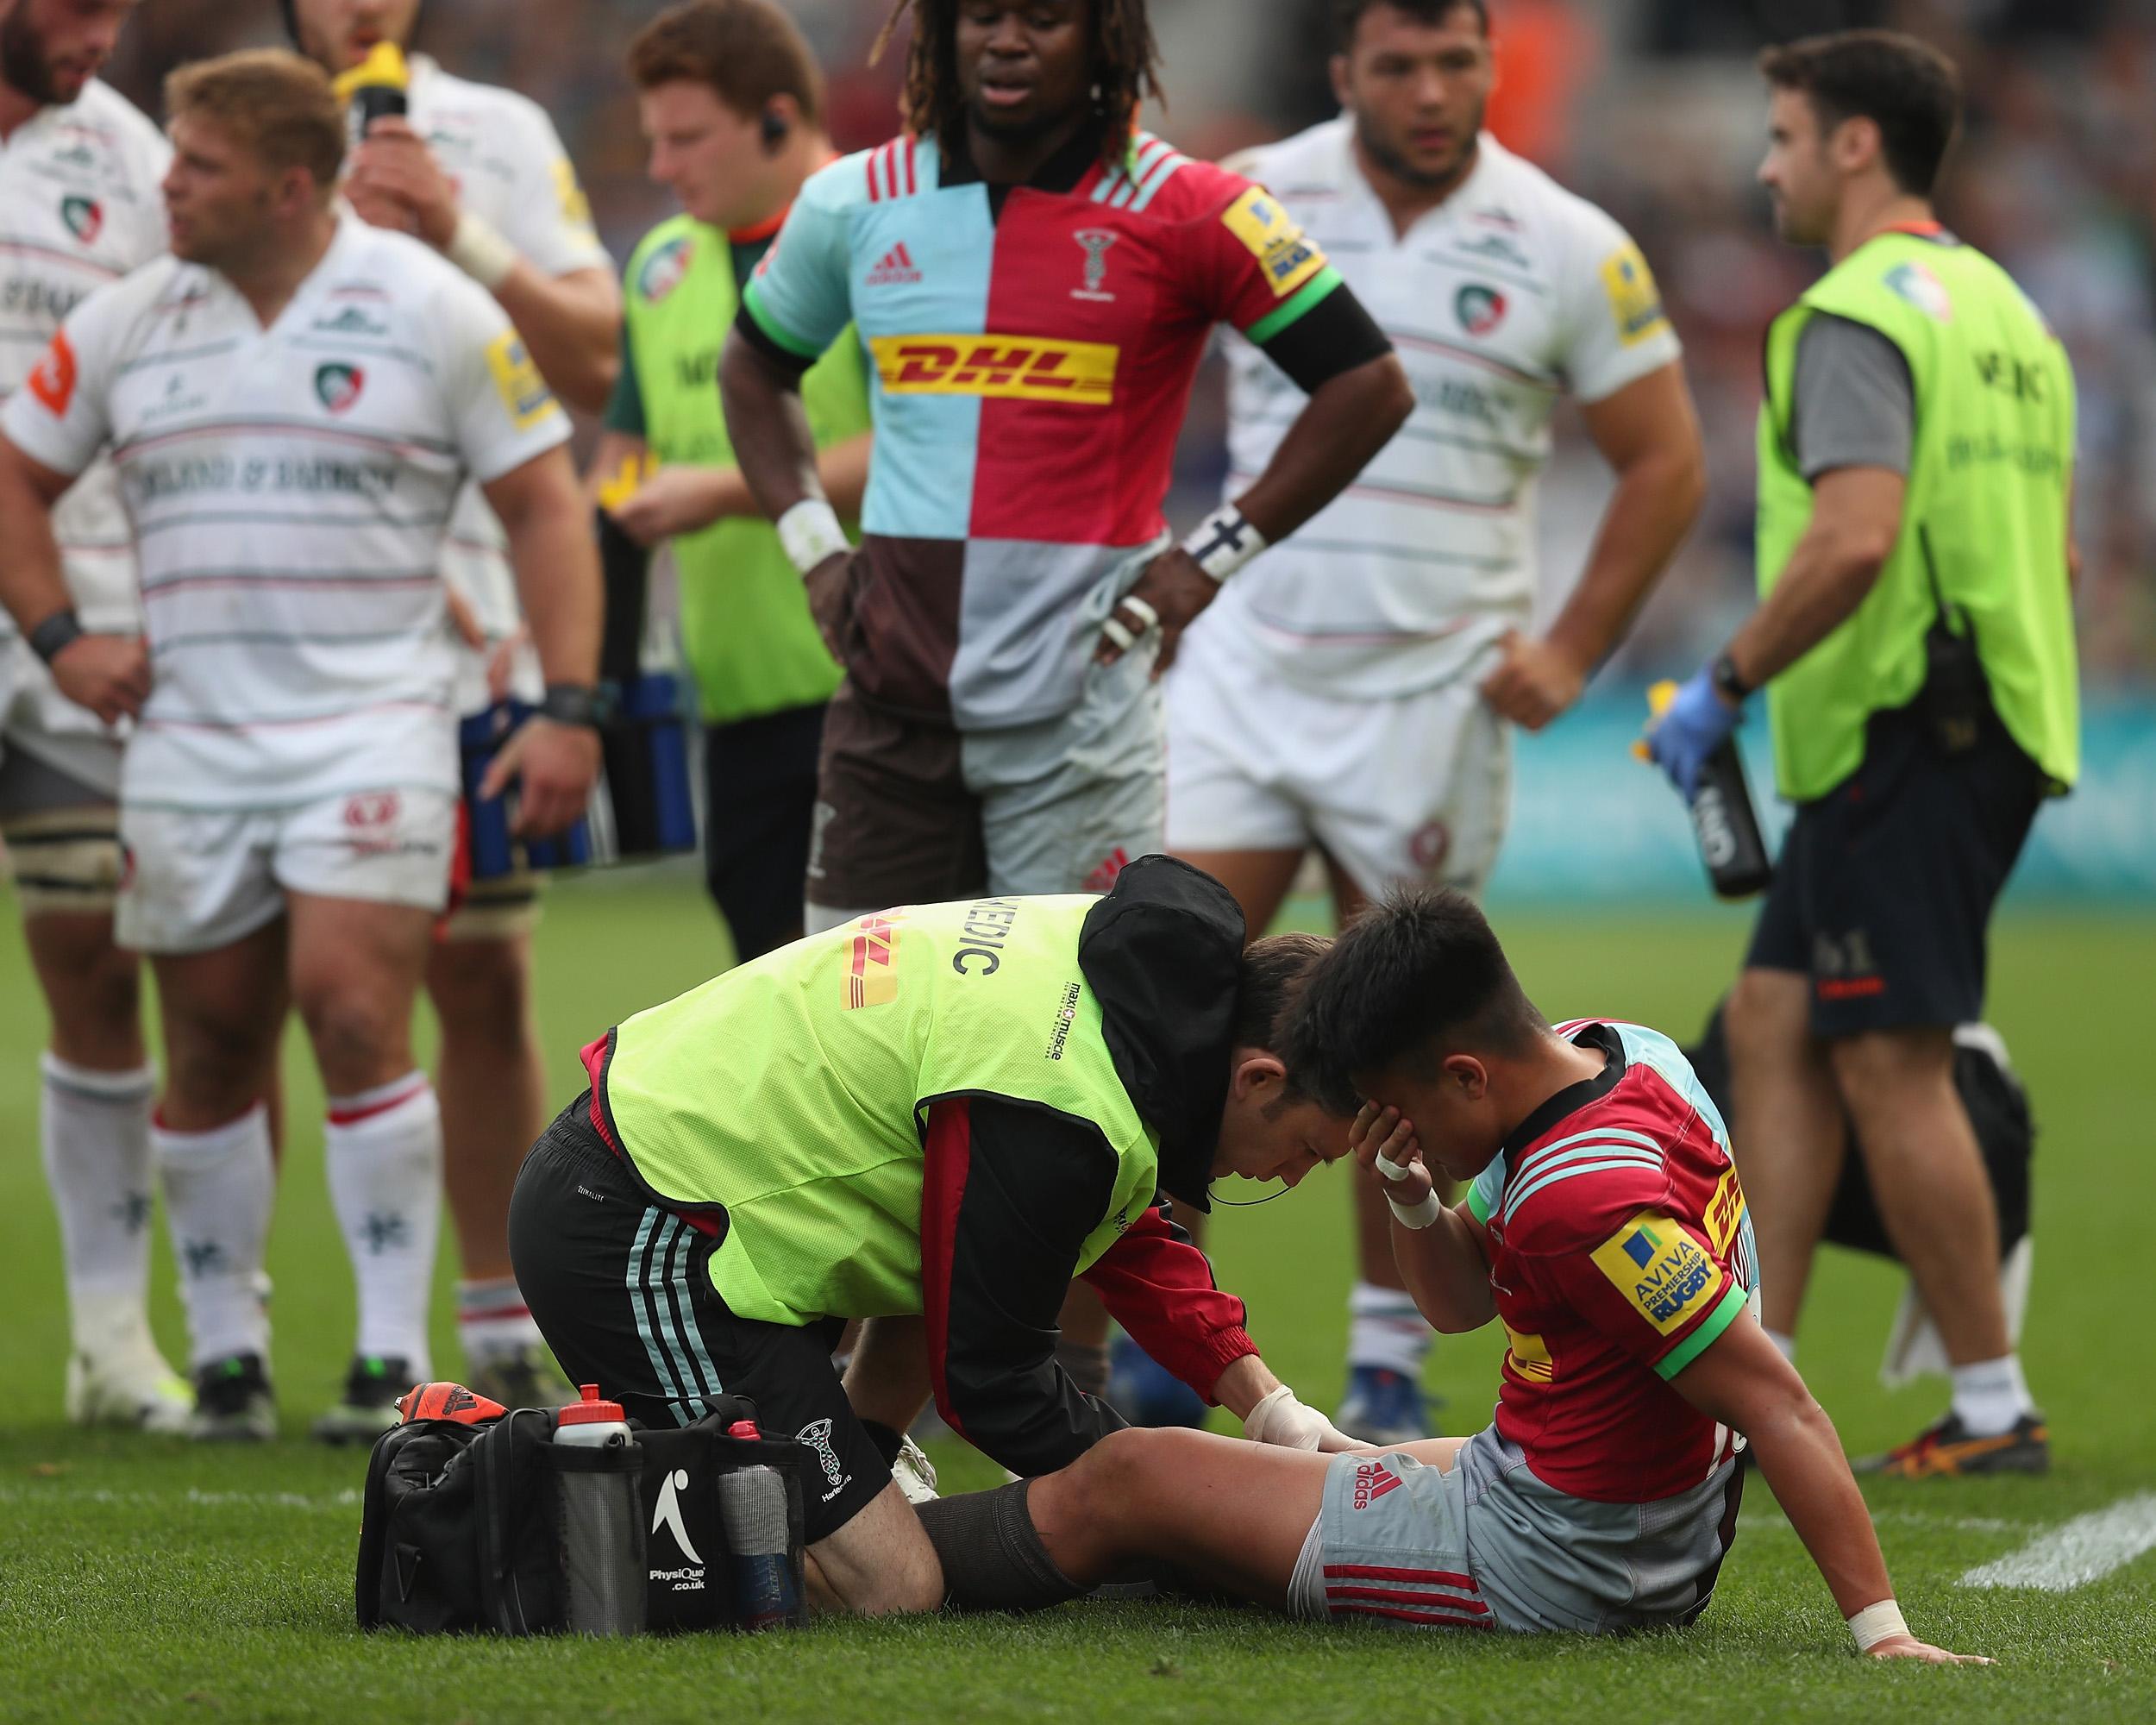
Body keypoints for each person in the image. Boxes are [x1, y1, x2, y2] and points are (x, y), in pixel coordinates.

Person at [0, 48, 604, 1440]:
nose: (165, 186)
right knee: (208, 1037)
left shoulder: (433, 311)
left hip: (374, 728)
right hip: (189, 738)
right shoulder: (127, 322)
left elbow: (546, 508)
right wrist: (57, 639)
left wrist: (568, 708)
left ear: (284, 187)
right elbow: (18, 477)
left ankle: (387, 1363)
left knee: (350, 1006)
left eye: (195, 167)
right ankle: (228, 1364)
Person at [912, 891, 1987, 1664]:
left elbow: (1776, 1402)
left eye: (1398, 1107)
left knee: (1135, 1474)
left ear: (1464, 1073)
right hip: (1590, 1496)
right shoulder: (1620, 1052)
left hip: (1561, 1557)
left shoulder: (1587, 1201)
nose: (1388, 1132)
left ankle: (889, 1557)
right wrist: (1414, 1195)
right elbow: (1462, 1303)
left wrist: (1879, 1631)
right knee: (1274, 1474)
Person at [1163, 0, 1706, 1445]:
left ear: (1491, 66)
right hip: (1248, 662)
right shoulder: (1254, 194)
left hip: (1432, 690)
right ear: (1343, 72)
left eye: (1455, 60)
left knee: (1387, 1031)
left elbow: (1664, 463)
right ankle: (1149, 1341)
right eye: (1395, 63)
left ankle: (1388, 1357)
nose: (1428, 88)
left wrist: (1577, 644)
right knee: (1169, 1002)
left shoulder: (1566, 237)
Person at [507, 854, 1363, 1615]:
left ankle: (850, 1475)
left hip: (685, 1185)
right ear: (1257, 1077)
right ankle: (502, 1508)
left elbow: (1111, 1225)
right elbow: (991, 1380)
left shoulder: (1137, 982)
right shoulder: (1057, 1106)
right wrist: (1194, 1502)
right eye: (1308, 1151)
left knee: (976, 1251)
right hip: (637, 1223)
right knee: (891, 1584)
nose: (1289, 1176)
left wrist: (1269, 1404)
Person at [719, 0, 1411, 941]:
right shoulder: (854, 197)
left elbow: (1367, 383)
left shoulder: (1192, 207)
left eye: (1042, 17)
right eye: (981, 16)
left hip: (1077, 720)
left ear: (1104, 37)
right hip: (887, 716)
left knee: (1063, 1041)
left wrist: (1206, 558)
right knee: (856, 1037)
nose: (1005, 39)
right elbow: (753, 368)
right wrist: (815, 552)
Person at [1647, 30, 2076, 1478]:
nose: (1760, 164)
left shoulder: (1851, 311)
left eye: (1780, 135)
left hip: (1907, 723)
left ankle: (1994, 1409)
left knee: (1892, 1062)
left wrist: (1720, 680)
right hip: (1976, 716)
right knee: (1773, 1021)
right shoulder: (2002, 311)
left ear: (1850, 144)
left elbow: (1856, 533)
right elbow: (2056, 553)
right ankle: (1754, 1376)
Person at [285, 0, 620, 1422]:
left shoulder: (496, 132)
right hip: (262, 630)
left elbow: (596, 358)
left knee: (481, 974)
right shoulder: (214, 141)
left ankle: (490, 1315)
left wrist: (457, 237)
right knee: (235, 994)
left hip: (473, 622)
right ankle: (215, 1334)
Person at [591, 0, 872, 963]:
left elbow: (922, 453)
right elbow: (622, 449)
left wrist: (712, 493)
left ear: (778, 119)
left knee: (884, 1001)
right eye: (653, 141)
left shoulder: (880, 236)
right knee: (769, 996)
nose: (662, 168)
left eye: (687, 139)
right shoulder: (660, 265)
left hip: (876, 686)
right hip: (737, 700)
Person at [0, 0, 185, 1432]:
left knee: (93, 956)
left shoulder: (129, 158)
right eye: (72, 3)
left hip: (68, 619)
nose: (97, 32)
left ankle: (111, 1339)